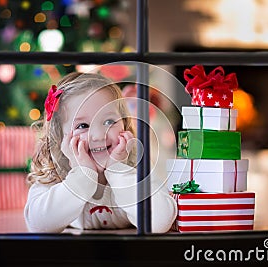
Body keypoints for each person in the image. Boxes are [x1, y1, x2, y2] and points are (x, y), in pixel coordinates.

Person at [24, 72, 177, 233]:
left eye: (109, 121)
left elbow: (160, 222)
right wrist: (83, 175)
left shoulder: (137, 168)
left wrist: (117, 169)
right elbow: (37, 225)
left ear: (124, 124)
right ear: (59, 136)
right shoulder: (55, 172)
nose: (98, 135)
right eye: (82, 125)